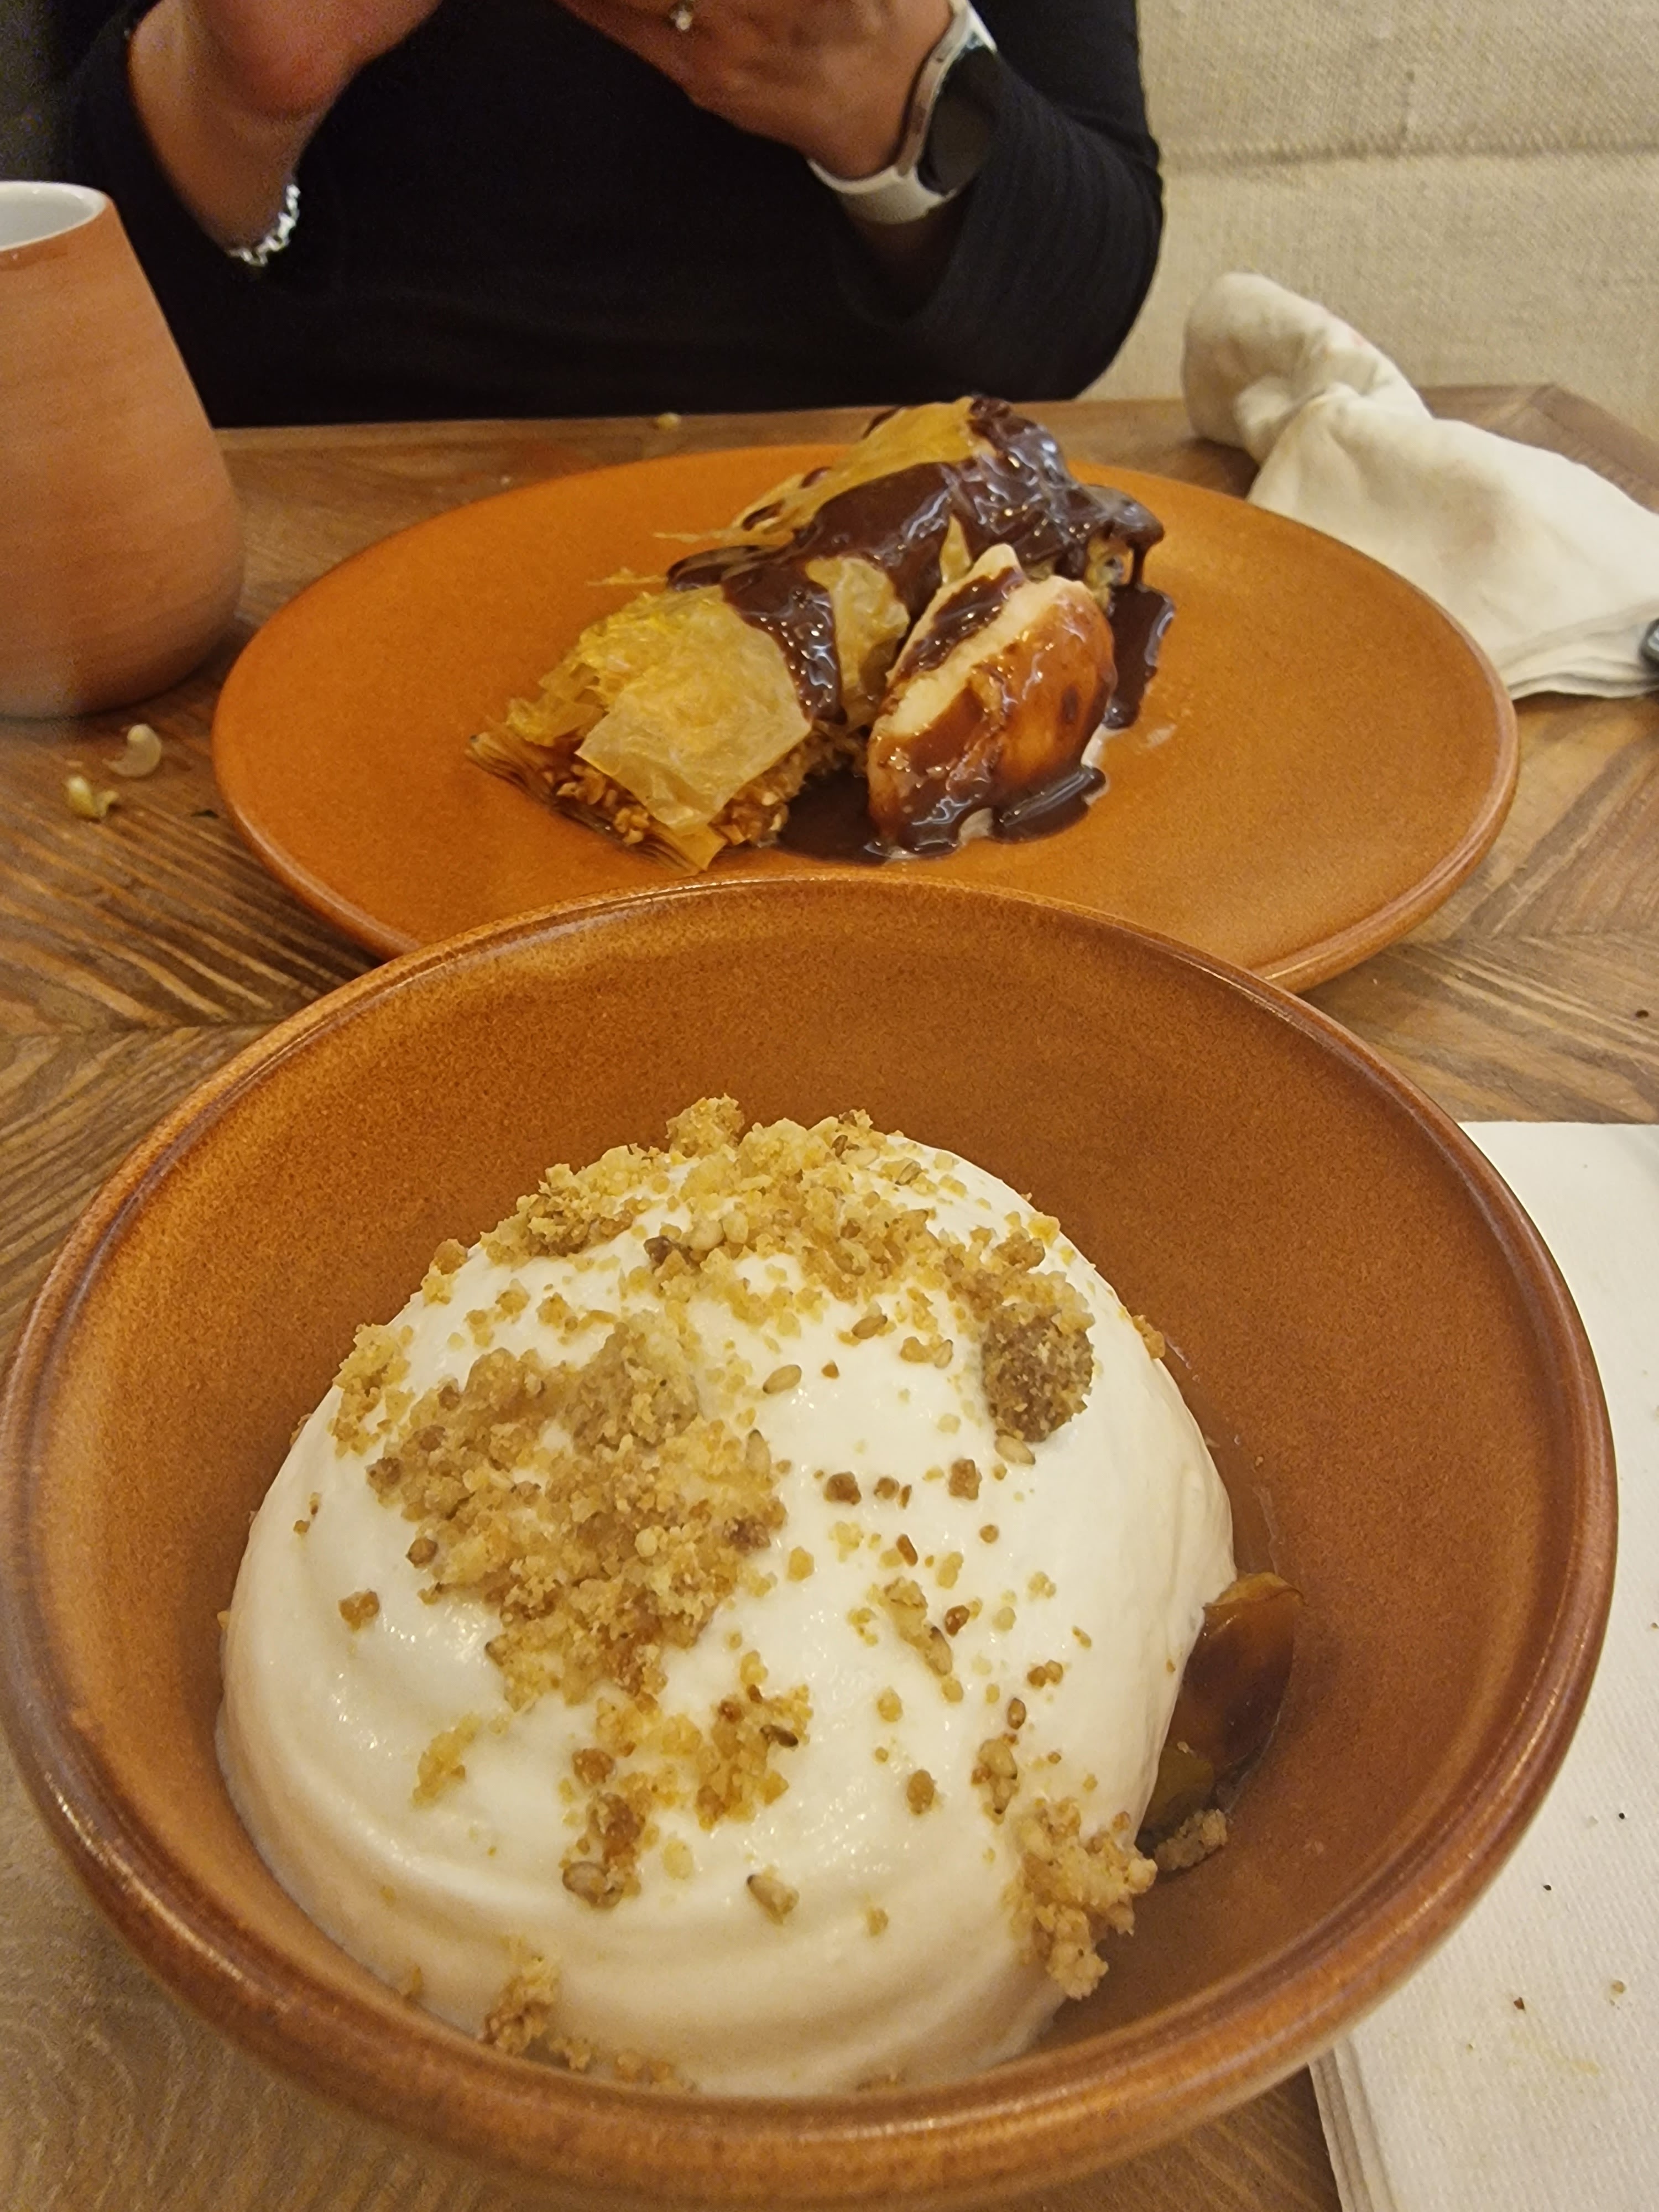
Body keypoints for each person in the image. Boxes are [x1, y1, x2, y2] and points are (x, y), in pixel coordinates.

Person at [46, 0, 1163, 426]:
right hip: (262, 568)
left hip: (872, 536)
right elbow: (43, 352)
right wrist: (231, 95)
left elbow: (1076, 312)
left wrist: (889, 86)